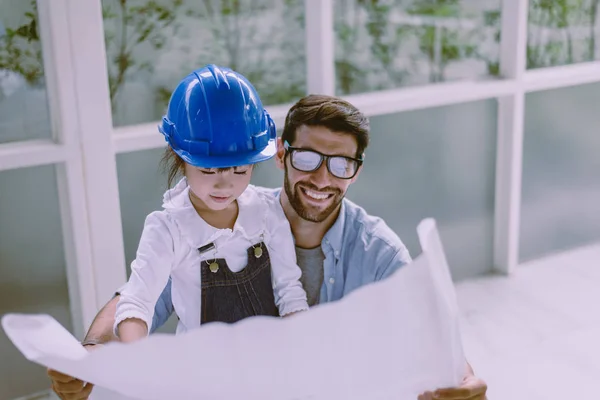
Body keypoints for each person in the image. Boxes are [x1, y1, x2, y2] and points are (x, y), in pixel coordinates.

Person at [48, 94, 488, 399]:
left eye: (340, 165)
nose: (321, 178)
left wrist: (463, 379)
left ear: (355, 172)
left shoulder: (378, 250)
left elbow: (429, 324)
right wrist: (90, 352)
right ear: (281, 154)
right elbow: (140, 296)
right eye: (307, 158)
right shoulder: (223, 218)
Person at [114, 64, 309, 343]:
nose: (224, 185)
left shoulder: (267, 212)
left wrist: (303, 345)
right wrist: (138, 355)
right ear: (181, 159)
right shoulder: (168, 229)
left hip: (270, 364)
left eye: (240, 170)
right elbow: (137, 303)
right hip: (202, 374)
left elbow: (289, 292)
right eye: (208, 171)